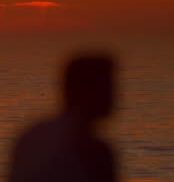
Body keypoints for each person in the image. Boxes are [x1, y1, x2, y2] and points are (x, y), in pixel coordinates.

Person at [7, 52, 119, 182]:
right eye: (108, 87)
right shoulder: (94, 151)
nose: (113, 95)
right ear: (89, 90)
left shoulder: (31, 135)